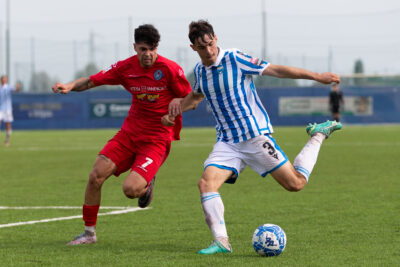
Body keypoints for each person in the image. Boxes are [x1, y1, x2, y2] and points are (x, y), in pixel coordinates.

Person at [162, 20, 343, 255]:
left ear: (216, 39)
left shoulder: (235, 58)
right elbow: (195, 98)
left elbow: (275, 70)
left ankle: (318, 133)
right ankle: (221, 241)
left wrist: (317, 76)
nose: (208, 50)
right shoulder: (199, 72)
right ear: (193, 48)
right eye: (201, 47)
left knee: (296, 183)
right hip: (227, 142)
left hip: (255, 136)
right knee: (206, 183)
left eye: (210, 44)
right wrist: (173, 113)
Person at [52, 24, 192, 245]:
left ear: (157, 47)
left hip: (156, 140)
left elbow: (193, 99)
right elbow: (91, 81)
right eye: (143, 49)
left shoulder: (170, 69)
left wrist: (177, 107)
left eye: (152, 48)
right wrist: (70, 85)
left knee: (130, 190)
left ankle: (147, 181)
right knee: (95, 176)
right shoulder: (125, 68)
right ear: (135, 47)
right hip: (129, 134)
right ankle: (89, 234)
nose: (148, 54)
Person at [0, 75, 20, 147]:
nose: (5, 80)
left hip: (8, 109)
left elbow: (15, 90)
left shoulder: (8, 87)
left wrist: (17, 87)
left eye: (6, 79)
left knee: (8, 125)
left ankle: (7, 140)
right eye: (3, 79)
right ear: (1, 80)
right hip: (0, 109)